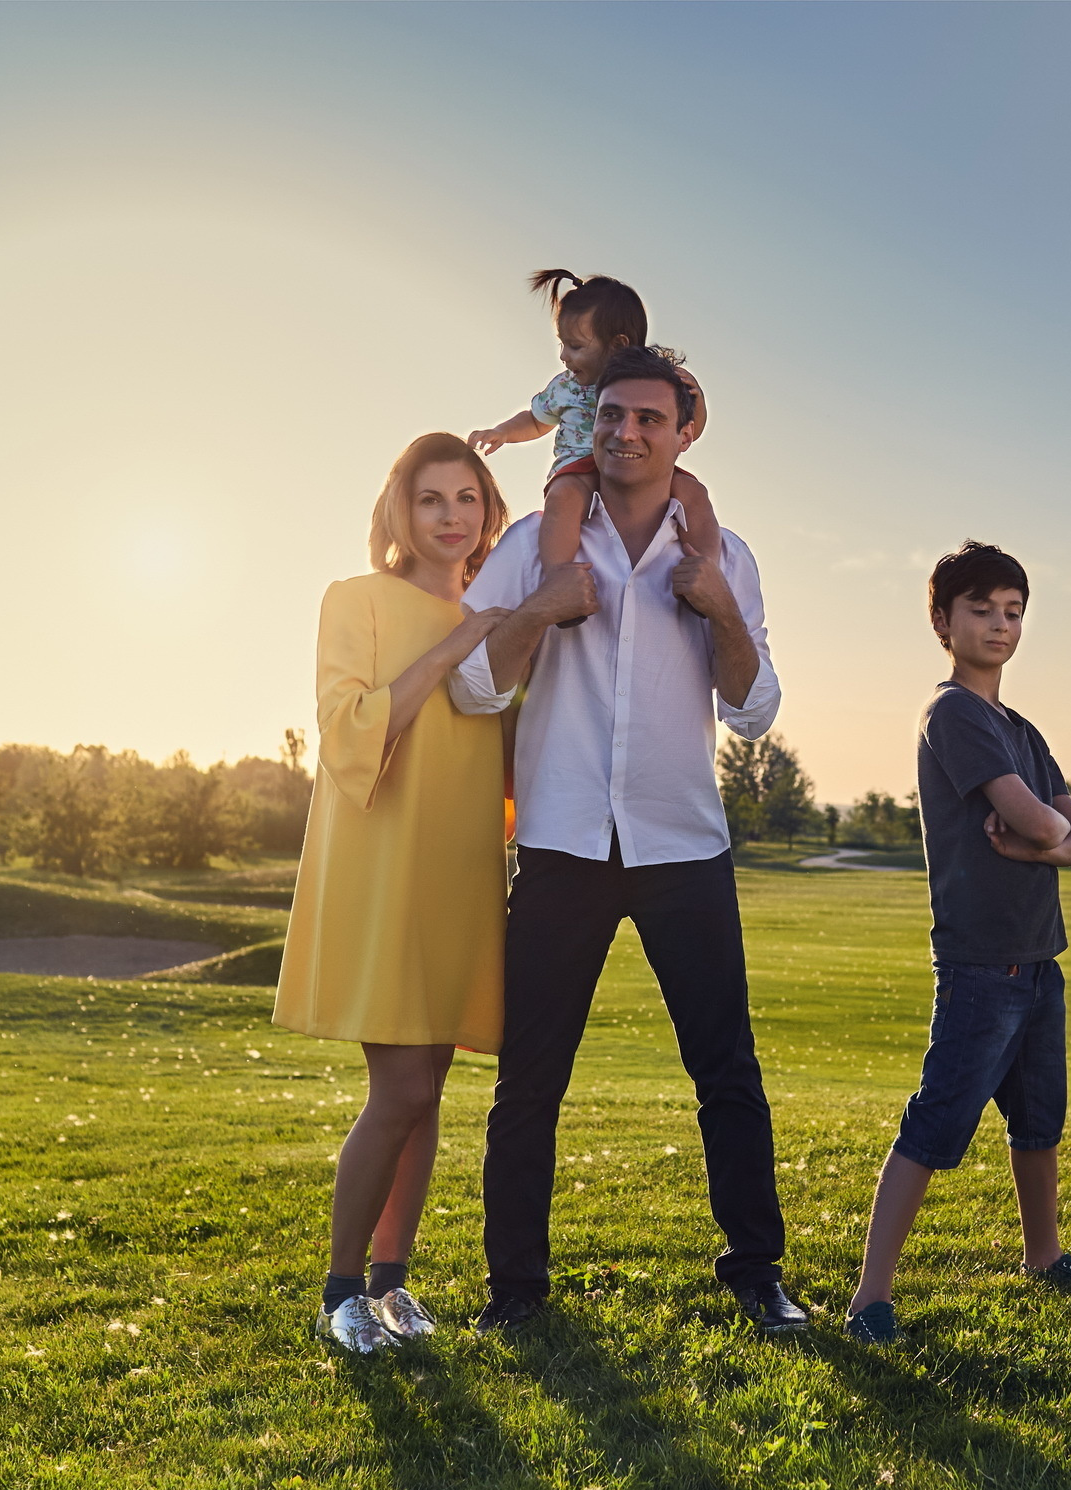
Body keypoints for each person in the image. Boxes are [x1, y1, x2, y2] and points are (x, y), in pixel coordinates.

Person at [448, 344, 804, 1334]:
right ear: (590, 424)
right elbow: (475, 686)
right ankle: (513, 1292)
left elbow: (753, 710)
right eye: (610, 417)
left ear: (685, 431)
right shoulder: (535, 543)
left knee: (726, 1070)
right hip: (561, 843)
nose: (626, 434)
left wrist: (720, 606)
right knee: (530, 1079)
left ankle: (756, 1274)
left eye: (649, 418)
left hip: (682, 846)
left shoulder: (725, 557)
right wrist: (541, 607)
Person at [275, 433, 513, 1355]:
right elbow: (348, 729)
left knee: (432, 1085)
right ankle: (339, 1294)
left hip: (460, 866)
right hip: (381, 861)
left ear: (488, 512)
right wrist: (464, 641)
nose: (451, 517)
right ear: (398, 514)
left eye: (467, 499)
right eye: (430, 500)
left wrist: (491, 630)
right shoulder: (357, 600)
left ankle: (393, 1286)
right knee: (401, 1084)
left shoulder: (493, 614)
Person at [844, 541, 1071, 1346]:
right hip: (979, 963)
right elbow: (1043, 818)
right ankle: (869, 1301)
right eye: (982, 610)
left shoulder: (1020, 727)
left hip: (1039, 959)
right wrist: (1048, 834)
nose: (1000, 625)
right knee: (936, 1122)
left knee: (1039, 1121)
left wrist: (1042, 845)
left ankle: (1044, 1256)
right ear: (942, 621)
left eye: (1014, 611)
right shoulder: (952, 712)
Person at [466, 270, 721, 622]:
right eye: (563, 344)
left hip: (642, 466)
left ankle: (705, 575)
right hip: (579, 466)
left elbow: (690, 428)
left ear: (616, 345)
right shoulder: (567, 387)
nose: (563, 356)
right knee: (563, 499)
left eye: (575, 346)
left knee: (694, 493)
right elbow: (538, 419)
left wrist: (696, 397)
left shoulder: (654, 382)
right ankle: (559, 580)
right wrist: (502, 432)